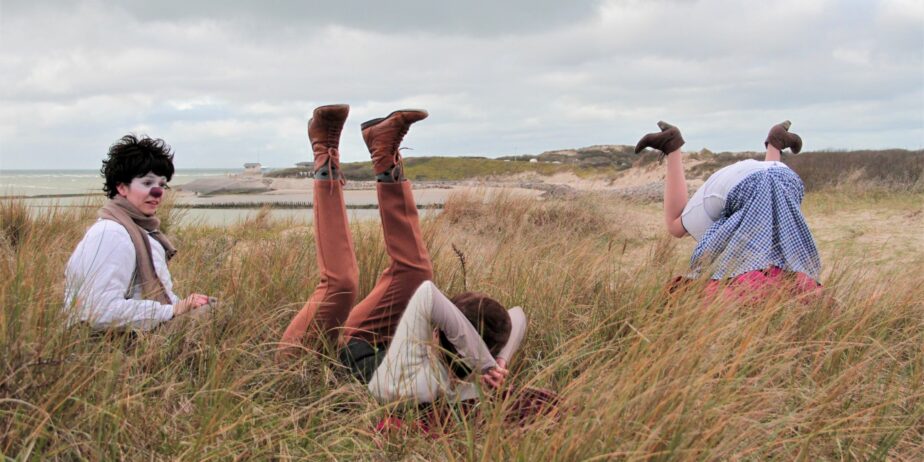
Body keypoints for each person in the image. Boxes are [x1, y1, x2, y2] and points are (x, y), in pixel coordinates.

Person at [278, 105, 527, 404]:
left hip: (308, 358)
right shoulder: (470, 381)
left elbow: (429, 296)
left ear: (437, 334)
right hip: (354, 341)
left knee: (340, 285)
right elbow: (518, 316)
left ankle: (324, 149)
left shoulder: (422, 382)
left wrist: (485, 362)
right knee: (415, 273)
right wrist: (497, 362)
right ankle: (383, 153)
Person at [635, 120, 822, 299]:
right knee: (768, 209)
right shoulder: (747, 226)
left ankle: (671, 146)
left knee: (676, 225)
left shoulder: (726, 228)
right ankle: (776, 142)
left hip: (746, 180)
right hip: (784, 176)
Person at [64, 134, 211, 331]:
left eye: (162, 184)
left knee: (212, 307)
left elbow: (148, 293)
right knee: (215, 315)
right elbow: (97, 310)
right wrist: (172, 310)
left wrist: (185, 305)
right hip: (115, 343)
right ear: (122, 187)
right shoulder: (111, 234)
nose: (158, 192)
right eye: (147, 183)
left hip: (139, 333)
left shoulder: (140, 232)